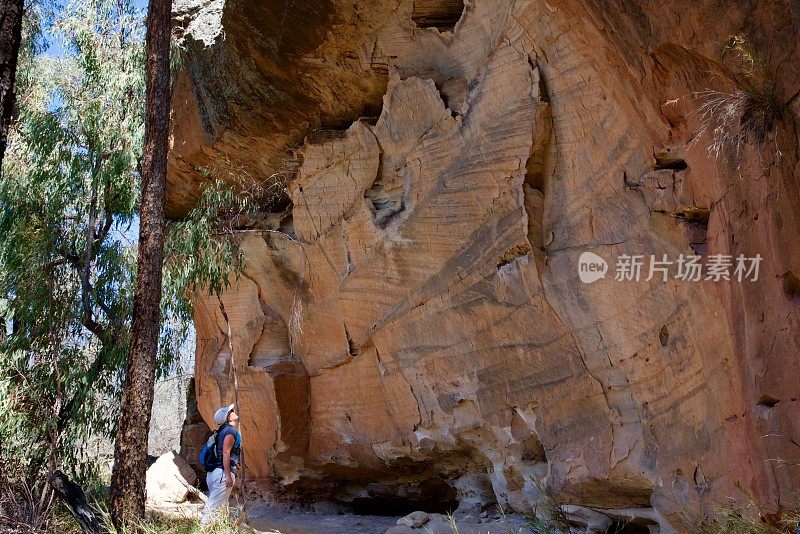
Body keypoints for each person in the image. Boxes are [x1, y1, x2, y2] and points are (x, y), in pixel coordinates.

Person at [200, 403, 242, 525]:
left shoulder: (221, 431)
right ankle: (201, 529)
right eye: (231, 411)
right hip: (222, 474)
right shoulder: (230, 431)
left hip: (213, 473)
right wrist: (228, 476)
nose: (234, 411)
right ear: (228, 417)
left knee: (220, 509)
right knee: (212, 509)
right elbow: (225, 452)